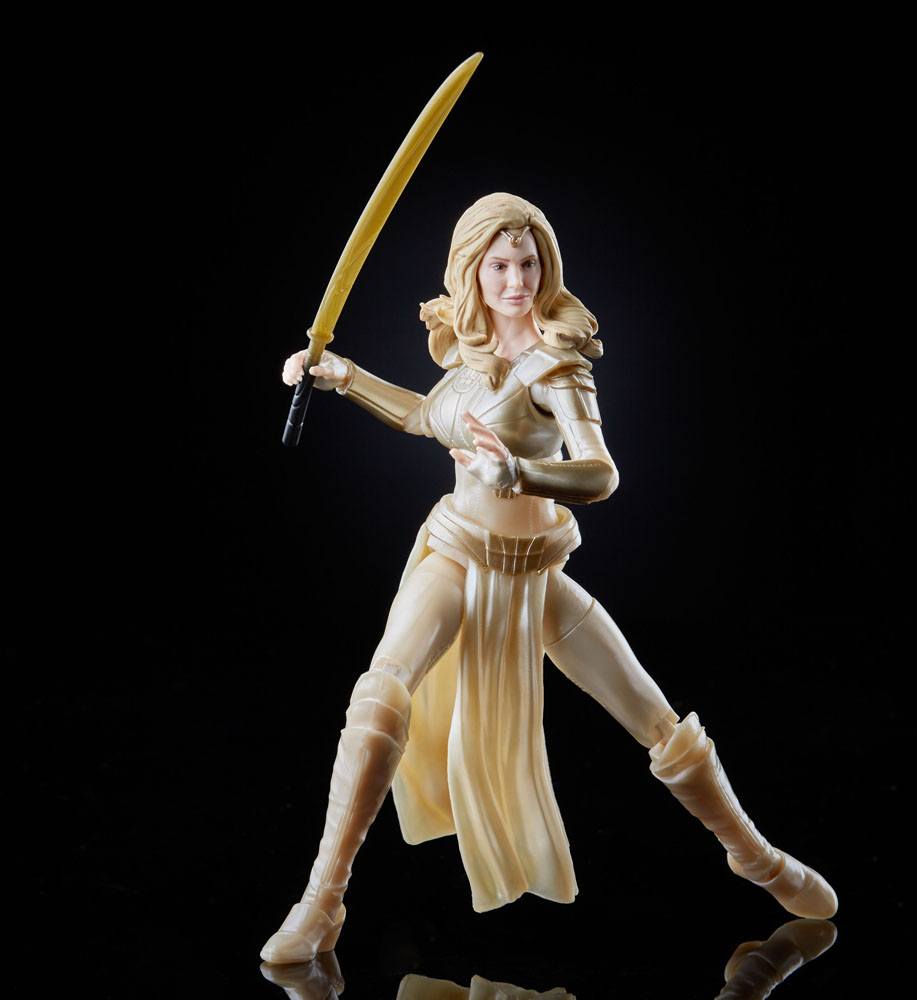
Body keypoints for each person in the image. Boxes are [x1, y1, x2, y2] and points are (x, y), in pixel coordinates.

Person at [261, 192, 837, 965]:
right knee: (379, 695)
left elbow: (601, 473)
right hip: (454, 553)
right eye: (499, 264)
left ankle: (753, 855)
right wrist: (344, 376)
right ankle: (324, 898)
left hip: (531, 577)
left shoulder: (556, 366)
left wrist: (521, 473)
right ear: (472, 268)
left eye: (528, 263)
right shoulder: (466, 354)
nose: (516, 281)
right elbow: (423, 417)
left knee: (655, 721)